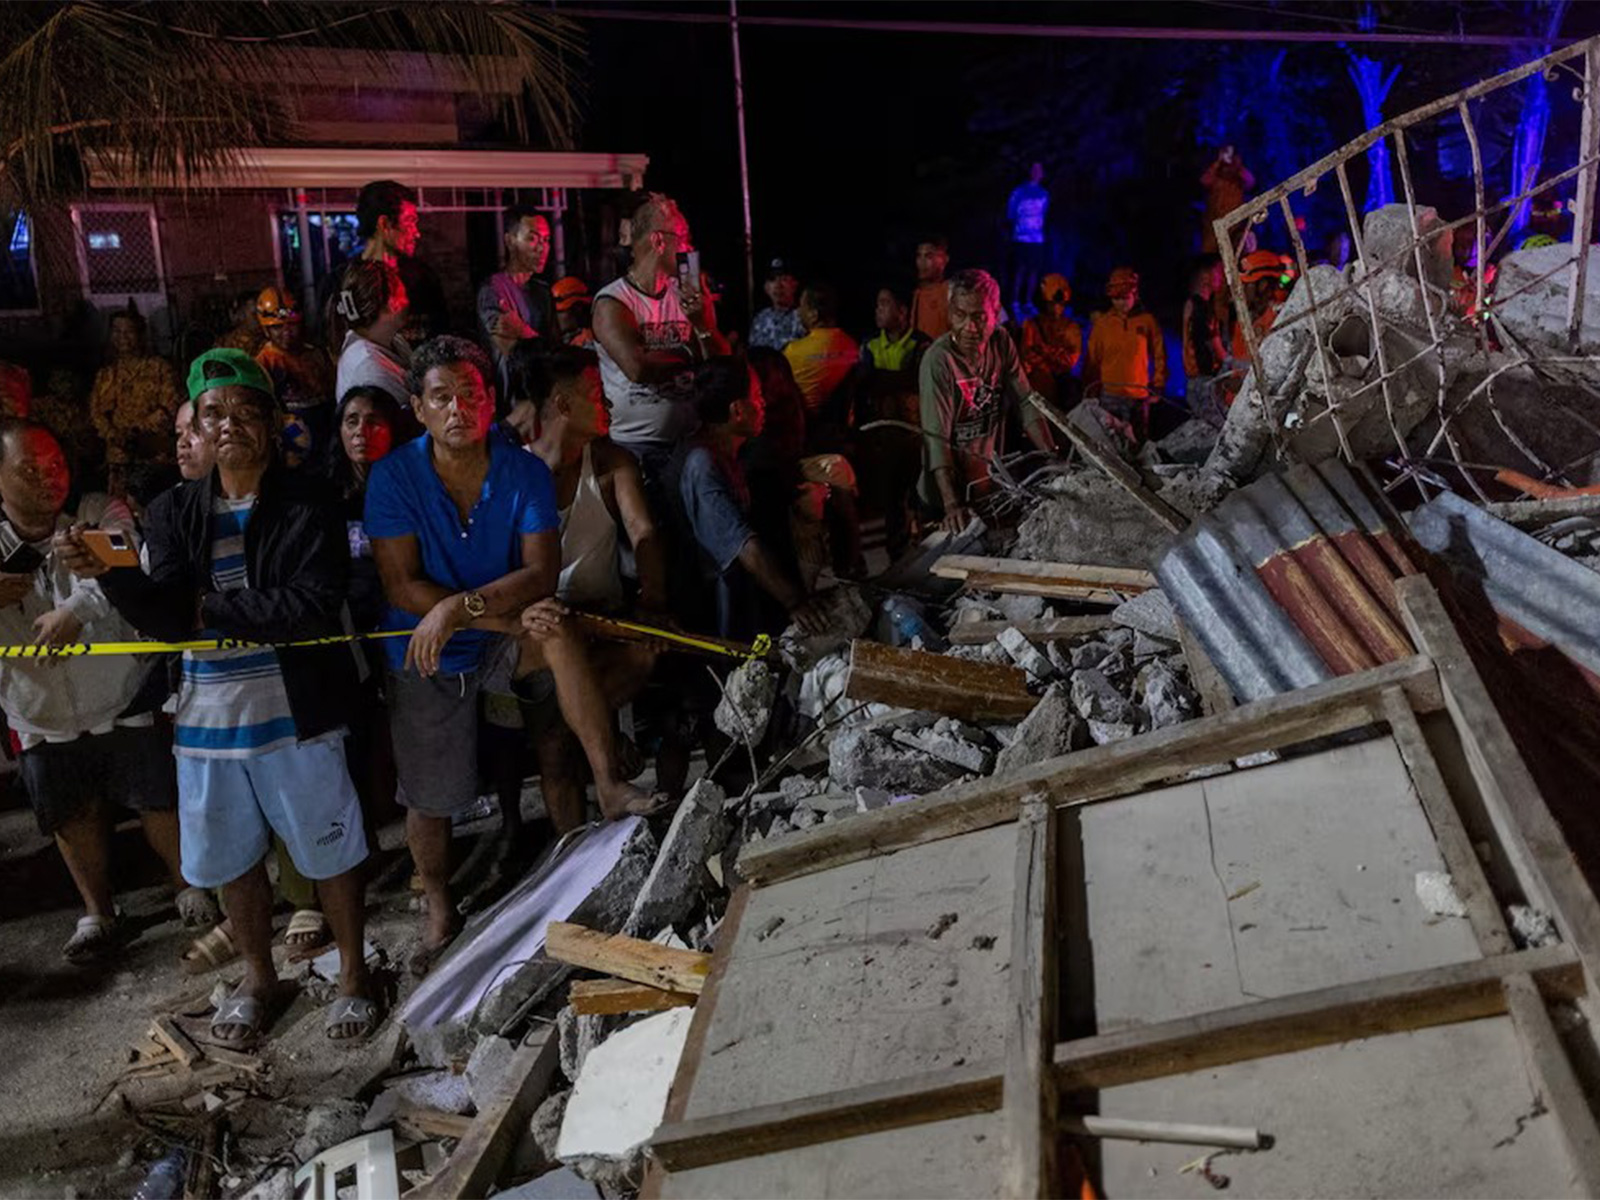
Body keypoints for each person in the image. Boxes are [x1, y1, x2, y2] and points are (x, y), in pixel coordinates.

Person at [61, 349, 376, 1044]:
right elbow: (169, 614)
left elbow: (314, 604)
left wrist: (211, 611)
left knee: (331, 849)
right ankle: (261, 979)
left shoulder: (311, 500)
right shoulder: (173, 512)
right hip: (207, 719)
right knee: (233, 860)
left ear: (270, 423)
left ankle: (353, 974)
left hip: (300, 712)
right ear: (196, 429)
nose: (227, 424)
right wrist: (109, 575)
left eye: (244, 411)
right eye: (213, 413)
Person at [364, 336, 664, 976]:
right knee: (430, 793)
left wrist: (465, 609)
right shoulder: (394, 477)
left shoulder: (522, 470)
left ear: (491, 399)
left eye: (470, 395)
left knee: (553, 626)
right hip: (427, 642)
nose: (457, 410)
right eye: (441, 397)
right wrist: (461, 612)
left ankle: (608, 782)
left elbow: (540, 570)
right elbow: (401, 584)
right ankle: (440, 905)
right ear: (417, 407)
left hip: (494, 627)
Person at [0, 421, 194, 962]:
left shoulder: (95, 510)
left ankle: (190, 888)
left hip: (118, 693)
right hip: (39, 709)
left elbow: (123, 557)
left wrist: (74, 611)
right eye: (29, 469)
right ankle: (98, 911)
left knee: (157, 798)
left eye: (54, 463)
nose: (47, 477)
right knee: (71, 813)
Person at [523, 347, 672, 830]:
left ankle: (602, 753)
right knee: (554, 746)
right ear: (563, 406)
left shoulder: (611, 461)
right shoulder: (514, 473)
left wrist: (652, 601)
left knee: (645, 653)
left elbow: (642, 531)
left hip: (604, 623)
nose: (608, 403)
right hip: (540, 630)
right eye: (595, 394)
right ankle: (574, 844)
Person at [667, 358, 824, 641]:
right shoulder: (701, 463)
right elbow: (743, 545)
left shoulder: (726, 453)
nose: (763, 404)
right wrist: (795, 602)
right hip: (710, 610)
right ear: (737, 410)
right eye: (757, 396)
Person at [593, 193, 729, 486]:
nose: (688, 247)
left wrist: (702, 323)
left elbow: (721, 364)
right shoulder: (614, 301)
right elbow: (638, 368)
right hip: (636, 447)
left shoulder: (686, 292)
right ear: (658, 242)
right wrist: (689, 352)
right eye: (681, 237)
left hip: (690, 439)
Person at [919, 269, 1055, 532]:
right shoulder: (938, 360)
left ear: (995, 314)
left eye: (979, 317)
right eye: (960, 315)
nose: (969, 328)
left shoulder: (1001, 343)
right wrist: (951, 504)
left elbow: (1026, 401)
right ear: (949, 313)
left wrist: (1051, 458)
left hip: (989, 483)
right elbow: (936, 437)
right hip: (945, 492)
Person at [319, 180, 446, 345]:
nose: (416, 233)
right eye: (410, 221)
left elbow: (442, 338)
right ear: (384, 224)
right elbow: (328, 344)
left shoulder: (423, 279)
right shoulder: (339, 283)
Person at [857, 286, 929, 560]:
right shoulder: (870, 343)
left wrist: (881, 379)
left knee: (919, 496)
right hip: (884, 437)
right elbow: (865, 384)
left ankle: (924, 550)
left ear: (902, 311)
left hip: (914, 434)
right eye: (877, 304)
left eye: (885, 304)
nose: (879, 310)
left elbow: (918, 382)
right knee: (891, 498)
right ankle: (897, 556)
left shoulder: (920, 344)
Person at [90, 306, 180, 495]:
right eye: (117, 331)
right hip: (120, 458)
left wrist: (137, 431)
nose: (122, 337)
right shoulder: (107, 374)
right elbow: (97, 413)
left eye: (129, 331)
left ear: (140, 334)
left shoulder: (159, 368)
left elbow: (169, 407)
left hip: (154, 456)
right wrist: (114, 435)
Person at [477, 205, 555, 409]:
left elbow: (553, 348)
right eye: (532, 239)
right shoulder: (493, 290)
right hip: (510, 402)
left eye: (546, 240)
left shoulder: (542, 291)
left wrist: (523, 331)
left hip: (542, 398)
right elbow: (511, 349)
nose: (541, 248)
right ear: (510, 241)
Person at [254, 286, 336, 462]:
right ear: (266, 330)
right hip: (292, 435)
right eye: (277, 327)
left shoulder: (315, 353)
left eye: (291, 325)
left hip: (325, 427)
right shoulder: (264, 362)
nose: (286, 332)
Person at [1085, 267, 1165, 436]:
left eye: (1125, 297)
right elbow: (1092, 359)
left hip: (1139, 395)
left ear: (1134, 294)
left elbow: (1159, 354)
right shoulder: (1103, 324)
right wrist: (1089, 388)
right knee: (1111, 442)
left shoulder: (1147, 321)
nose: (1121, 302)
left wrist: (1158, 384)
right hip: (1109, 396)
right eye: (1116, 299)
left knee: (1139, 442)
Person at [334, 258, 412, 412]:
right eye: (403, 294)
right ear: (391, 304)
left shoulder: (392, 340)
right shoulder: (369, 367)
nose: (407, 301)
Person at [782, 284, 858, 427]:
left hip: (804, 428)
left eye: (802, 306)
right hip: (840, 429)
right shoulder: (852, 346)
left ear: (814, 314)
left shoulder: (792, 351)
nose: (798, 312)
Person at [1018, 273, 1082, 405]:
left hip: (1058, 394)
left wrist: (1043, 350)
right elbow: (1026, 355)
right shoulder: (1031, 324)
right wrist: (1053, 355)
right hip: (1035, 391)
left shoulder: (1071, 328)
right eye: (1051, 304)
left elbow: (1069, 361)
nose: (1056, 309)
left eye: (1061, 304)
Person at [1182, 257, 1230, 415]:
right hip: (1204, 380)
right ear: (1205, 277)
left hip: (1194, 379)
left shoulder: (1192, 304)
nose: (1221, 278)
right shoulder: (1202, 309)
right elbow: (1214, 347)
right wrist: (1237, 364)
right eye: (1217, 273)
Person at [1006, 163, 1050, 312]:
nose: (1036, 173)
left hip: (1037, 239)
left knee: (1034, 270)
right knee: (1020, 269)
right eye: (1034, 169)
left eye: (1039, 170)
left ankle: (1029, 302)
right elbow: (1010, 214)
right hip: (1020, 238)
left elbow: (1045, 214)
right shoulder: (1018, 192)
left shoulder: (1044, 193)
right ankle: (1015, 302)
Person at [1200, 145, 1255, 254]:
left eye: (1230, 153)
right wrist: (1218, 162)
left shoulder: (1238, 175)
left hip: (1234, 220)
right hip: (1214, 217)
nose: (1227, 156)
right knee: (1211, 248)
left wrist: (1237, 166)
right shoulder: (1216, 173)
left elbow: (1250, 182)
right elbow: (1204, 181)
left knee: (1231, 249)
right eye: (1225, 152)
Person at [748, 259, 804, 351]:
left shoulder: (803, 317)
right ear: (766, 287)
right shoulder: (760, 319)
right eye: (772, 280)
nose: (778, 285)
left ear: (795, 284)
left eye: (784, 279)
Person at [908, 237, 952, 340]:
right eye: (919, 256)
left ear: (945, 260)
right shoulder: (916, 294)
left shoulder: (951, 292)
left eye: (929, 256)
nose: (922, 262)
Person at [214, 289, 265, 354]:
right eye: (254, 314)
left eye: (263, 314)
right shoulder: (225, 344)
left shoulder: (271, 342)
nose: (261, 318)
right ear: (241, 315)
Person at [552, 277, 596, 349]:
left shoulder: (585, 342)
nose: (556, 317)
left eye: (560, 312)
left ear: (578, 310)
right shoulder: (564, 339)